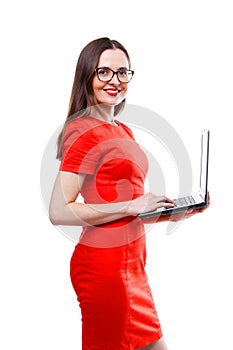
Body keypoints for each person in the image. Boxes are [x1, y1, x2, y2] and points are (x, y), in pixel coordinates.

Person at [49, 37, 209, 350]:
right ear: (88, 76)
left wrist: (174, 211)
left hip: (133, 267)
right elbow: (59, 210)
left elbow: (128, 207)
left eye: (123, 72)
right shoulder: (84, 131)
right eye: (104, 72)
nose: (115, 81)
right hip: (104, 270)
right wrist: (134, 204)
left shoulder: (122, 131)